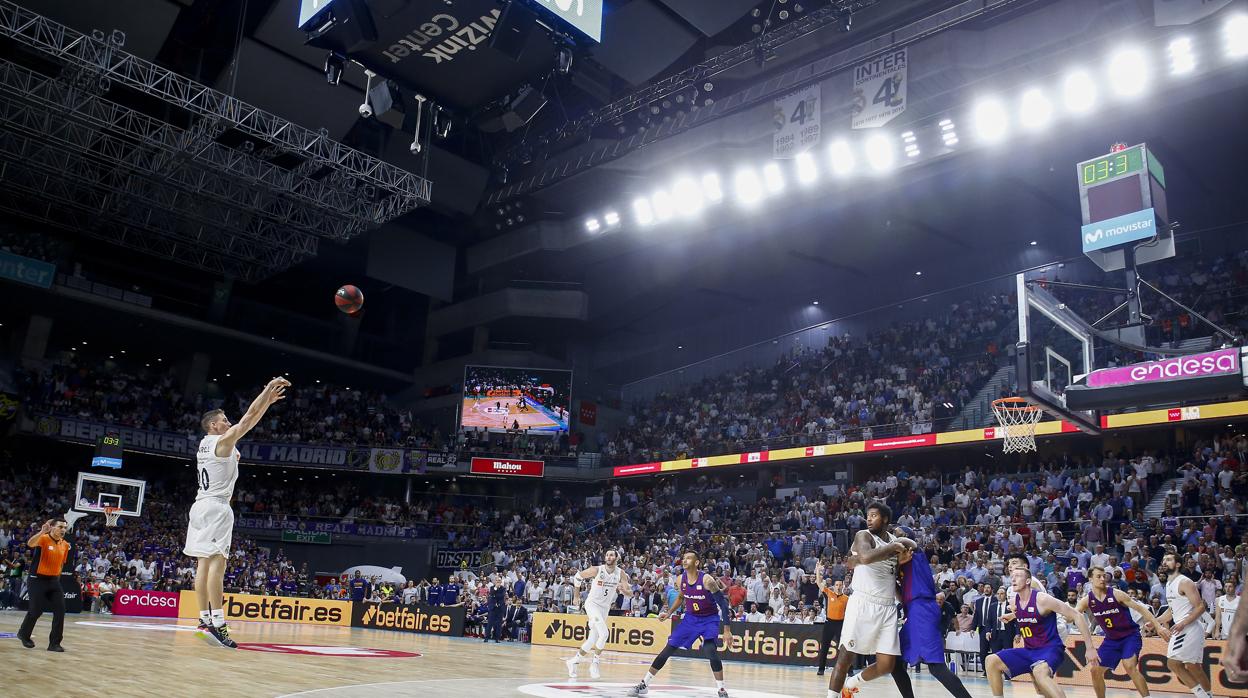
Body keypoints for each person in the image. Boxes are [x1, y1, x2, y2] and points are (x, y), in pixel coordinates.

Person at [185, 377, 288, 648]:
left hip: (199, 506)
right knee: (217, 565)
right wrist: (266, 390)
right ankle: (219, 625)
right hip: (217, 507)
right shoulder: (222, 441)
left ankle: (204, 620)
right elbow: (247, 419)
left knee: (203, 566)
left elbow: (249, 423)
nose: (228, 422)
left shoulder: (205, 444)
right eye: (224, 419)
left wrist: (267, 402)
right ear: (213, 425)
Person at [828, 502, 915, 698]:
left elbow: (896, 572)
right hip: (862, 603)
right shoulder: (864, 535)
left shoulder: (895, 541)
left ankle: (851, 684)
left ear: (884, 519)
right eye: (868, 515)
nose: (868, 519)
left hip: (887, 606)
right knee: (845, 658)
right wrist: (889, 549)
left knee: (887, 664)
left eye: (874, 515)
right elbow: (865, 557)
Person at [629, 551, 732, 698]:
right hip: (690, 619)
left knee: (710, 649)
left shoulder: (707, 580)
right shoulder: (679, 580)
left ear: (696, 563)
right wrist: (669, 613)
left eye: (688, 558)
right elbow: (681, 597)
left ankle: (721, 690)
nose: (684, 560)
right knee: (668, 649)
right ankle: (644, 684)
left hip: (709, 619)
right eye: (683, 558)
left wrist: (727, 630)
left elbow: (723, 603)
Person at [986, 566, 1095, 698]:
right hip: (1029, 651)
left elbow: (1077, 615)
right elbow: (1027, 612)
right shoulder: (1015, 601)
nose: (1013, 579)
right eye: (1012, 576)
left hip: (1050, 649)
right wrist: (1013, 616)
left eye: (1018, 576)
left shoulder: (1042, 599)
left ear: (1027, 581)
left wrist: (1090, 648)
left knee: (1039, 673)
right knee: (991, 660)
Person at [889, 529, 973, 698]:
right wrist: (890, 579)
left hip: (923, 610)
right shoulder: (901, 565)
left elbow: (910, 543)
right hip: (912, 612)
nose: (894, 534)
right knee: (896, 665)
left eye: (898, 533)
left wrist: (890, 543)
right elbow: (901, 595)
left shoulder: (916, 554)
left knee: (936, 667)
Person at [1075, 566, 1169, 698]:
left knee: (1129, 666)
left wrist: (1158, 627)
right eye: (1098, 576)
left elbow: (1142, 609)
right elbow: (1073, 614)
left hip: (1130, 636)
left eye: (1104, 576)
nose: (1103, 579)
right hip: (1111, 640)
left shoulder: (1116, 594)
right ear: (1090, 579)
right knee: (1095, 671)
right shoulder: (1087, 600)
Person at [567, 549, 632, 679]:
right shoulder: (597, 569)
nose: (608, 557)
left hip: (604, 608)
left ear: (617, 558)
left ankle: (573, 661)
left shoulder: (621, 574)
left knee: (592, 639)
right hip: (592, 604)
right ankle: (595, 663)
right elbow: (577, 577)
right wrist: (576, 595)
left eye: (611, 555)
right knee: (605, 634)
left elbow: (629, 593)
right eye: (607, 555)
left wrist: (623, 590)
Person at [1156, 553, 1213, 698]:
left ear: (1178, 564)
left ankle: (1202, 696)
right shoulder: (1169, 583)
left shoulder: (1185, 582)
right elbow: (1172, 610)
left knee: (1173, 664)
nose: (1164, 562)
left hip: (1188, 628)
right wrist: (1156, 621)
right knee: (1194, 668)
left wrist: (1183, 623)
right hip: (1183, 628)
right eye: (1163, 560)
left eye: (1168, 560)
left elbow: (1200, 607)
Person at [17, 518, 71, 652]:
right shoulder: (44, 538)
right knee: (36, 610)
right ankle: (24, 634)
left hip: (53, 581)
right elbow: (30, 543)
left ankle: (54, 644)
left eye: (65, 527)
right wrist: (41, 532)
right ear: (52, 527)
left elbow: (60, 563)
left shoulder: (65, 545)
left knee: (60, 611)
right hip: (37, 579)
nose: (63, 530)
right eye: (60, 527)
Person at [814, 564, 847, 676]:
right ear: (834, 586)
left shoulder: (846, 598)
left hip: (840, 624)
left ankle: (849, 669)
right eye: (836, 584)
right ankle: (821, 669)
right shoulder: (829, 593)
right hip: (829, 623)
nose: (838, 586)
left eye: (840, 585)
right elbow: (818, 583)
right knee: (825, 647)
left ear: (843, 586)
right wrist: (818, 570)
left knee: (843, 648)